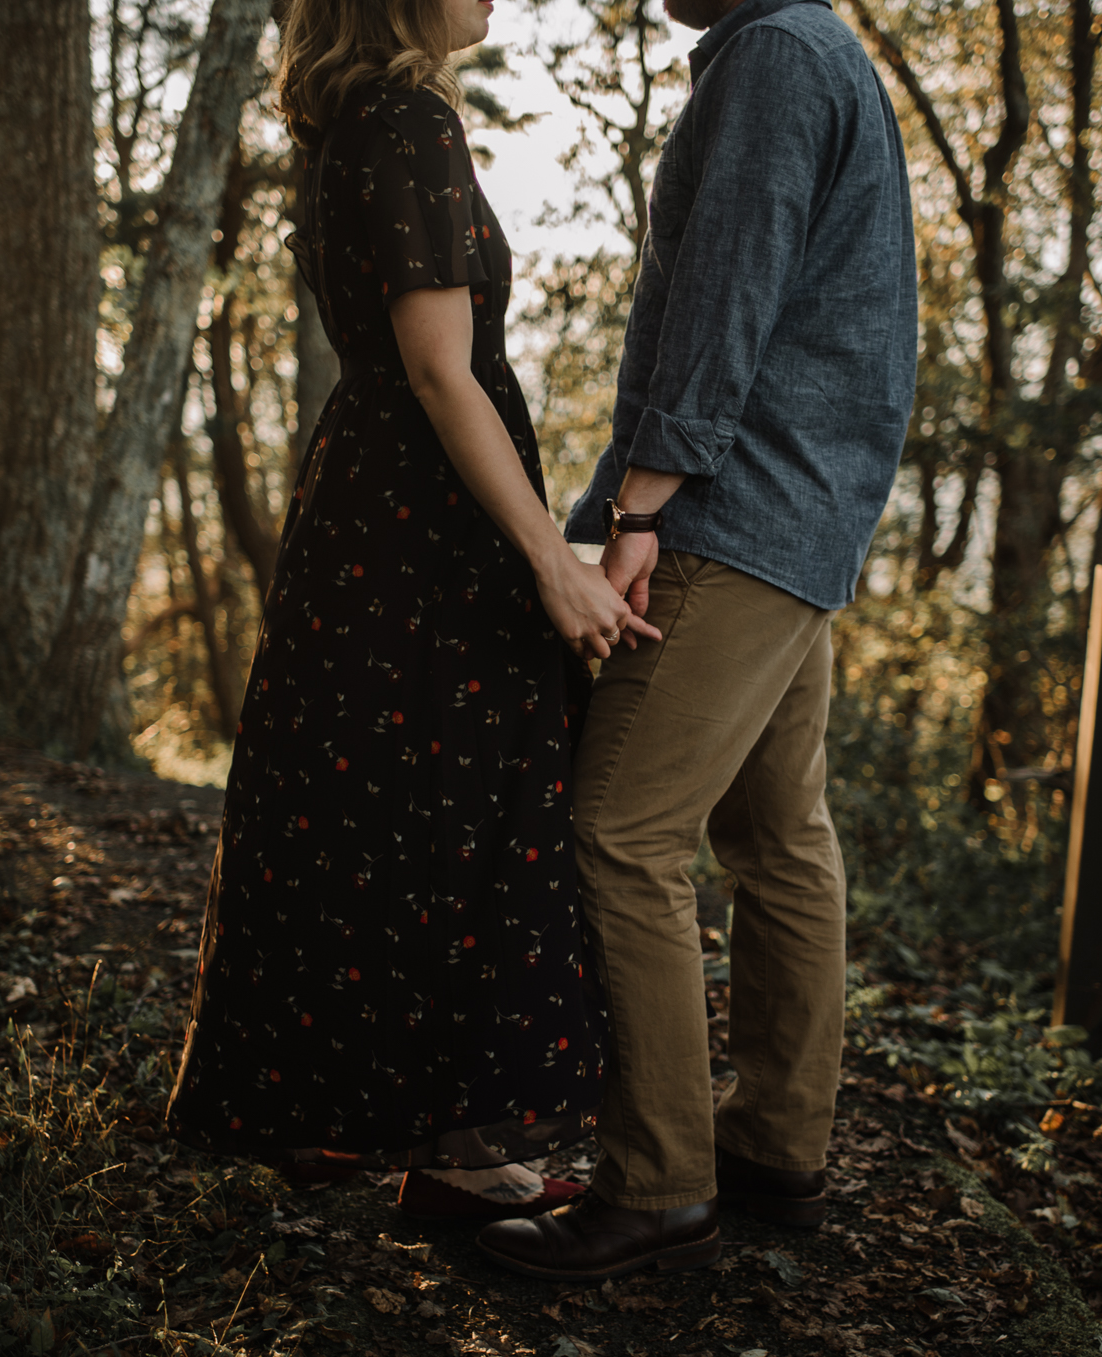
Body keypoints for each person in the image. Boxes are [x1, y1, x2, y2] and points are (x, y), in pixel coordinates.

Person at [162, 0, 661, 1220]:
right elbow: (441, 366)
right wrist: (551, 557)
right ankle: (444, 1149)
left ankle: (348, 1120)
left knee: (370, 806)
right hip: (424, 522)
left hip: (382, 503)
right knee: (448, 813)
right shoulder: (404, 121)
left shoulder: (356, 121)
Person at [476, 0, 917, 1278]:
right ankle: (777, 1143)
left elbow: (723, 302)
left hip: (730, 516)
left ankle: (659, 1178)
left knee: (621, 833)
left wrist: (638, 509)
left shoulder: (777, 56)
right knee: (779, 836)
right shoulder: (817, 46)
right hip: (803, 519)